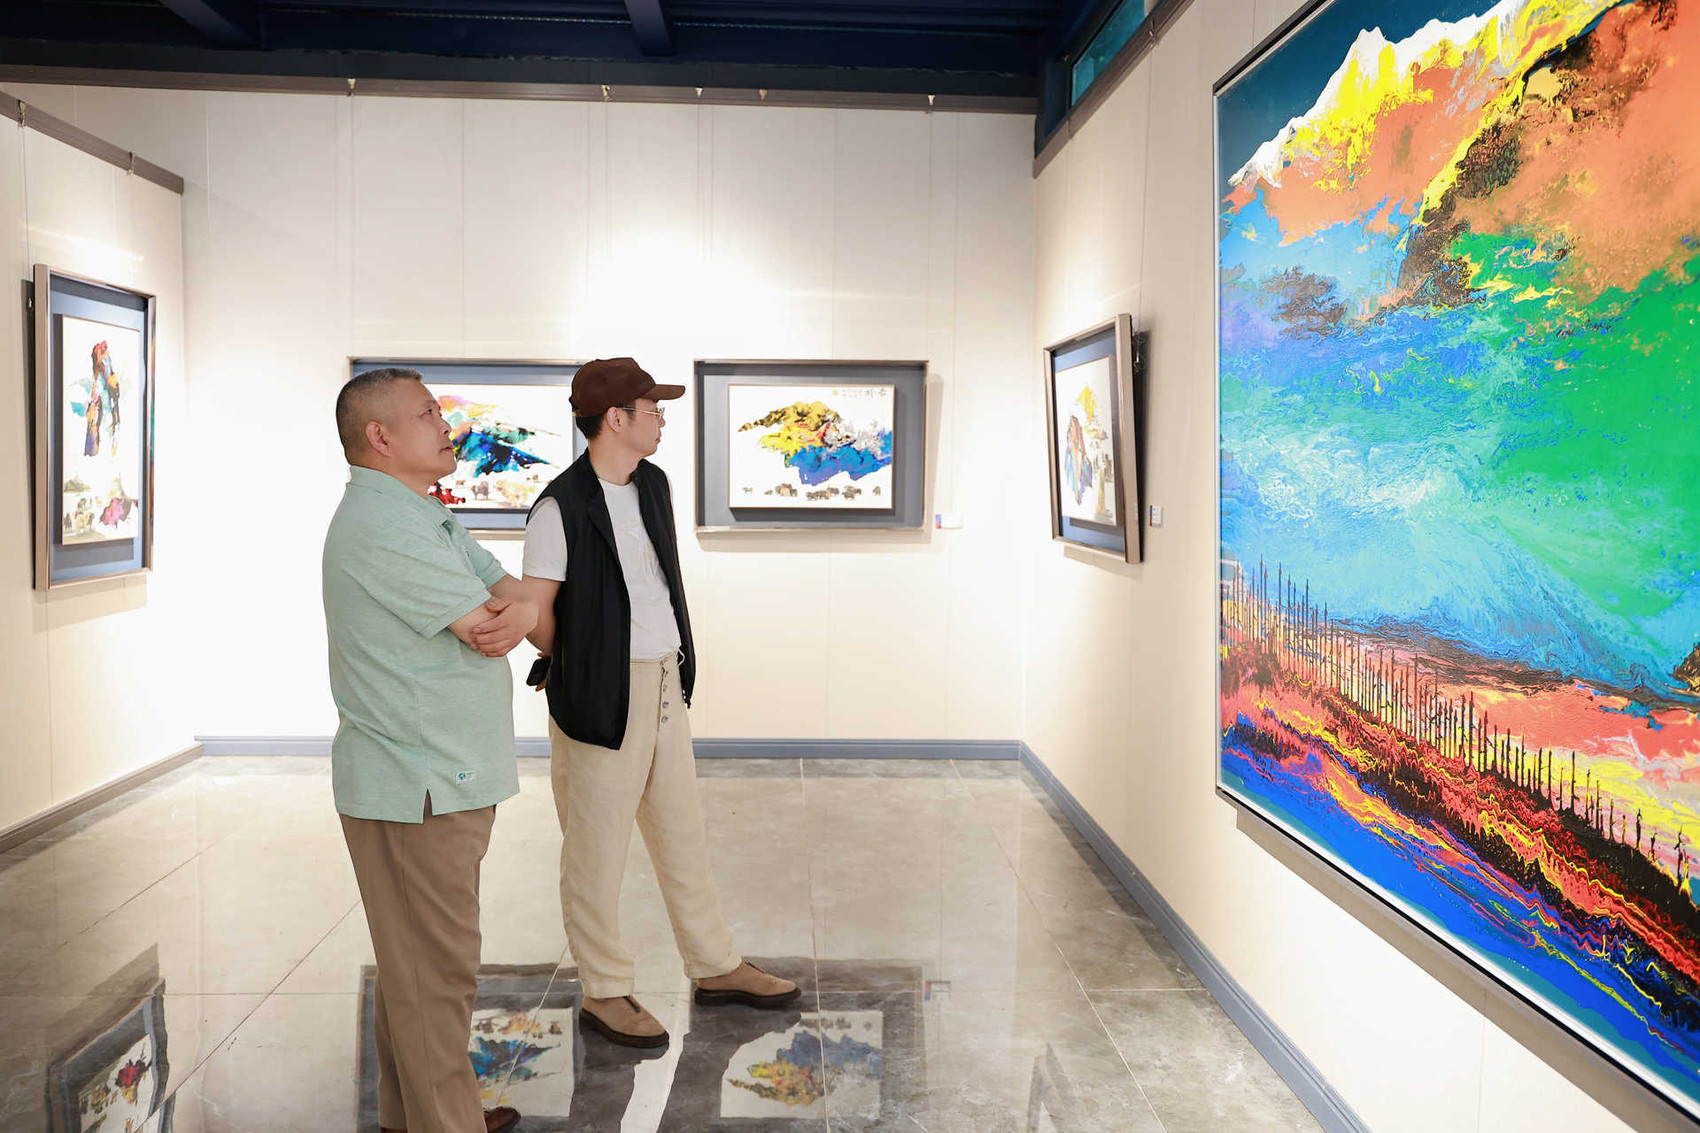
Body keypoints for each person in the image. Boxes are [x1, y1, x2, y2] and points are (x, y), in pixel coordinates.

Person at [521, 356, 799, 1048]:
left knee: (682, 832)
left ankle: (714, 964)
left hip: (665, 681)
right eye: (653, 409)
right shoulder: (560, 506)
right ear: (616, 418)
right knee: (595, 850)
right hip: (599, 692)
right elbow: (537, 614)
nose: (663, 420)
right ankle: (604, 989)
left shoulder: (653, 485)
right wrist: (582, 665)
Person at [322, 366, 539, 1133]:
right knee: (435, 968)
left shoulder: (422, 512)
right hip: (416, 781)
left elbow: (515, 599)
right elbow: (489, 624)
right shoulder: (383, 524)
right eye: (427, 414)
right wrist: (515, 613)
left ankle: (413, 1114)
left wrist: (519, 611)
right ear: (380, 436)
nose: (445, 425)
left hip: (438, 774)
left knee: (414, 962)